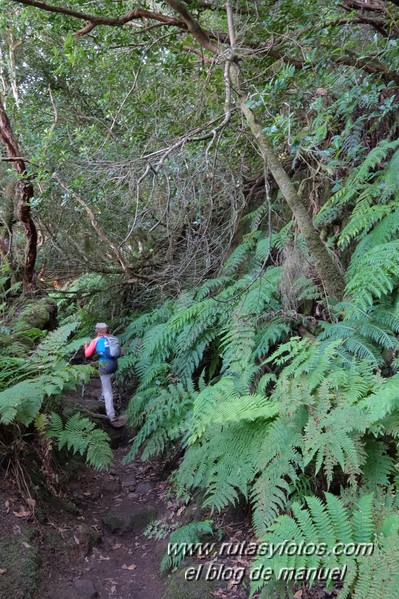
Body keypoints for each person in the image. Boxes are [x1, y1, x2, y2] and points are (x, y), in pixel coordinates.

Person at [84, 322, 120, 422]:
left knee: (108, 390)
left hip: (104, 366)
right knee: (106, 381)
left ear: (97, 330)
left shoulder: (96, 340)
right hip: (114, 365)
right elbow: (121, 352)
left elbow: (87, 354)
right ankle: (103, 397)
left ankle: (111, 416)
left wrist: (86, 346)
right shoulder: (113, 338)